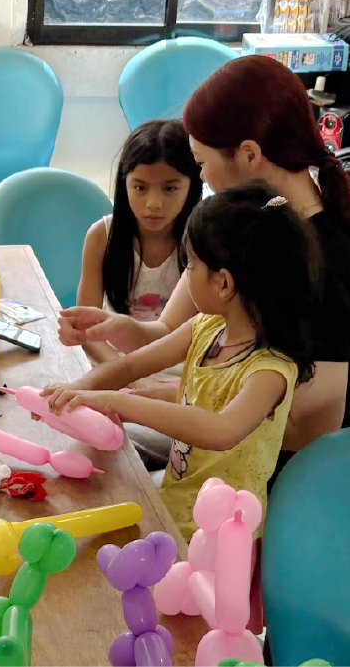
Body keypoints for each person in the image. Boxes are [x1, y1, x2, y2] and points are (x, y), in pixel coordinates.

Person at [58, 56, 350, 483]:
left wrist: (150, 399)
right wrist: (116, 329)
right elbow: (167, 331)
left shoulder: (328, 259)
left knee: (106, 471)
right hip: (204, 443)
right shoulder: (236, 219)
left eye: (200, 163)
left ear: (249, 154)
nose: (203, 178)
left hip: (262, 474)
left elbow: (296, 423)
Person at [45, 184, 316, 540]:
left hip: (219, 535)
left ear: (223, 283)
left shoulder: (269, 369)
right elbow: (130, 366)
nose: (186, 274)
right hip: (177, 501)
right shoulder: (207, 326)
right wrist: (74, 391)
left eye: (190, 264)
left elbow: (220, 430)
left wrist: (117, 402)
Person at [77, 120, 202, 468]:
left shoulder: (202, 243)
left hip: (178, 384)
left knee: (114, 443)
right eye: (140, 187)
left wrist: (149, 385)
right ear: (124, 184)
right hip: (111, 370)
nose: (153, 203)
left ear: (192, 185)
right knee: (79, 427)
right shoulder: (102, 236)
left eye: (170, 188)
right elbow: (87, 333)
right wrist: (132, 377)